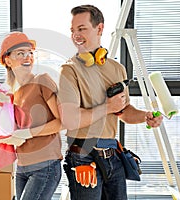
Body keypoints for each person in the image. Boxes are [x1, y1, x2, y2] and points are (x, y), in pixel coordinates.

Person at [57, 5, 163, 200]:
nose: (75, 35)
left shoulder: (117, 69)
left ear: (99, 28)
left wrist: (144, 116)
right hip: (82, 154)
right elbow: (70, 119)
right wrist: (107, 107)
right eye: (73, 30)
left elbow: (123, 111)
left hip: (113, 153)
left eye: (82, 29)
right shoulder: (69, 70)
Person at [0, 31, 63, 200]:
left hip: (45, 166)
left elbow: (61, 122)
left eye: (30, 53)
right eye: (21, 53)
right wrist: (6, 107)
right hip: (22, 167)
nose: (28, 57)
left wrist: (28, 133)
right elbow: (13, 130)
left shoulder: (42, 81)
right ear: (7, 60)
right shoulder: (15, 92)